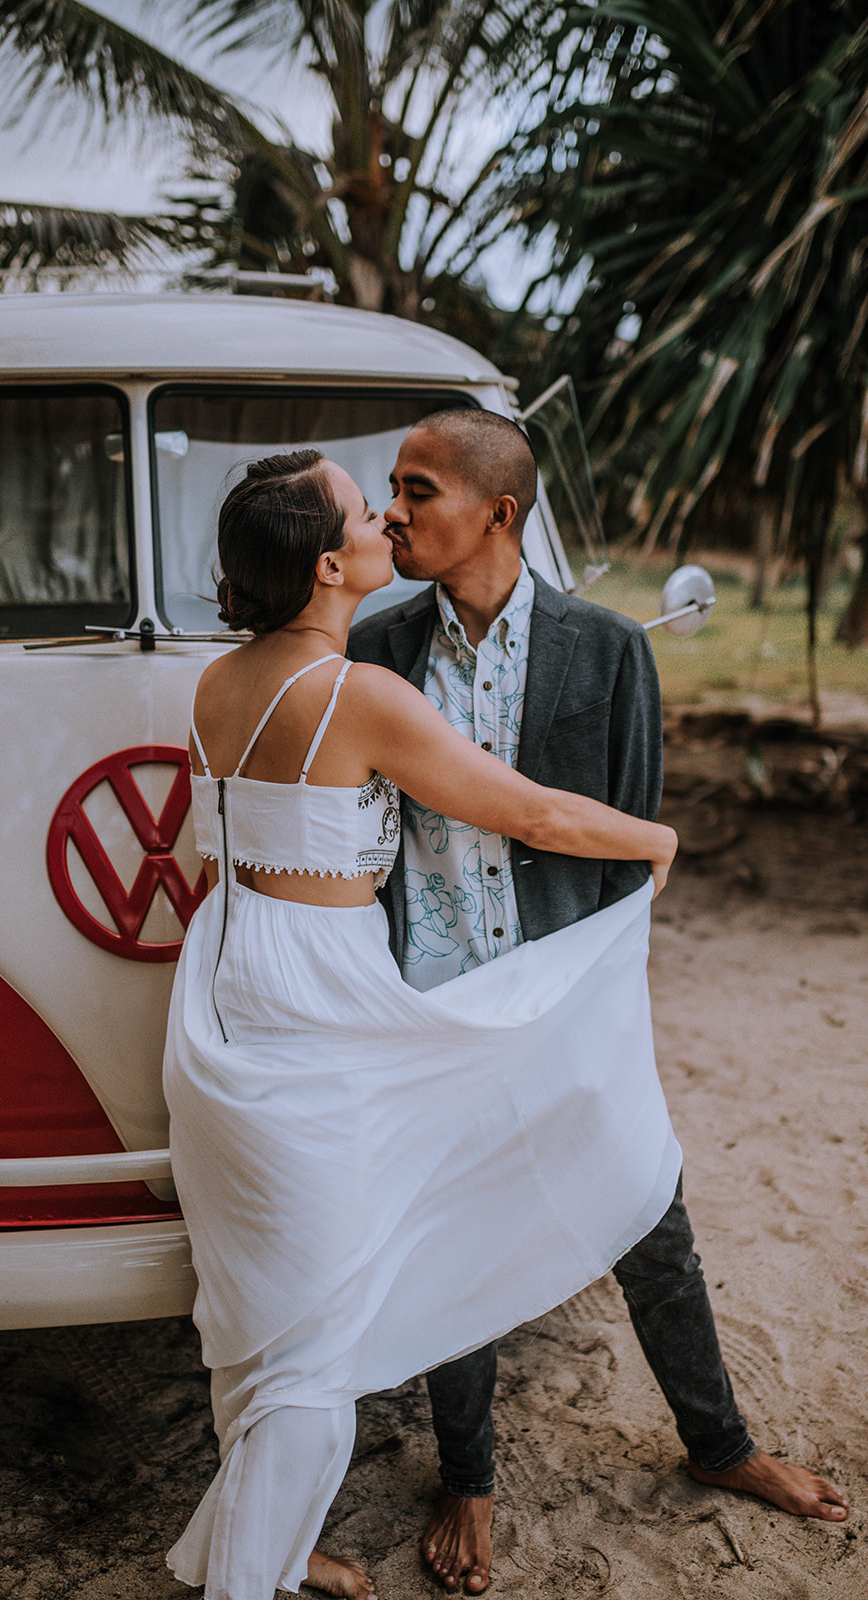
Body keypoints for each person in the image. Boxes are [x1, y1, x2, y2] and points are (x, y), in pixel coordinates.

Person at [163, 449, 682, 1600]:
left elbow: (230, 847)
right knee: (316, 1341)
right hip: (316, 1004)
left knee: (267, 1296)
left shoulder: (214, 684)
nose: (386, 521)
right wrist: (653, 838)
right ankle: (245, 1578)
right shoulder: (358, 695)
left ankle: (266, 1544)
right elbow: (531, 812)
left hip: (225, 988)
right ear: (327, 564)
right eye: (364, 510)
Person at [349, 408, 849, 1596]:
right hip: (434, 1003)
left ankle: (719, 1445)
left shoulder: (608, 649)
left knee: (646, 1213)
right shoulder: (375, 648)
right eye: (391, 490)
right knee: (454, 1239)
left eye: (417, 490)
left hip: (569, 991)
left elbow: (627, 840)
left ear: (497, 513)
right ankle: (467, 1476)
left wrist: (605, 1001)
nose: (392, 513)